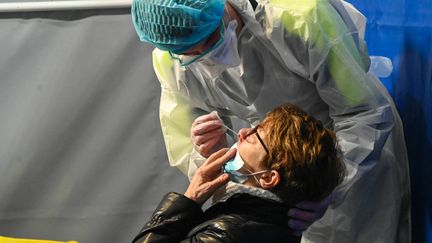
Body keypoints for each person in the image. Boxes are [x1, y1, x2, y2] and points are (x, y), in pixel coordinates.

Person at [131, 0, 411, 242]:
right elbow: (184, 144)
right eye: (193, 54)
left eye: (211, 39)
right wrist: (216, 157)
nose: (208, 57)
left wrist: (330, 185)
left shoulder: (298, 17)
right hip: (276, 192)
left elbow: (364, 112)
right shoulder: (171, 58)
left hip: (356, 161)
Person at [132, 104, 345, 243]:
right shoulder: (268, 224)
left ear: (268, 177)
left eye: (255, 135)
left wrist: (189, 199)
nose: (242, 132)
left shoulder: (229, 233)